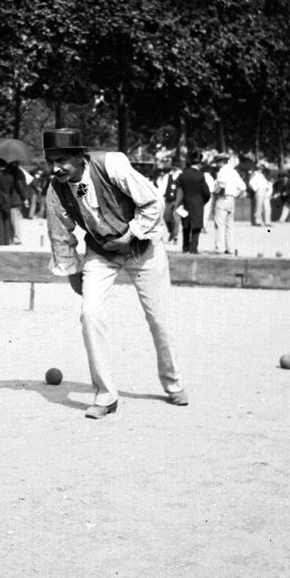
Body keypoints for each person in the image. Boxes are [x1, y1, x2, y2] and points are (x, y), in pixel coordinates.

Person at [42, 128, 186, 419]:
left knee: (159, 318)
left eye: (62, 161)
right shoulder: (55, 190)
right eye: (50, 161)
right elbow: (60, 236)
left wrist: (130, 234)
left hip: (142, 246)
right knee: (90, 313)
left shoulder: (111, 165)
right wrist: (73, 274)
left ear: (80, 156)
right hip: (101, 251)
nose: (55, 168)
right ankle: (106, 396)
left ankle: (172, 383)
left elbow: (153, 202)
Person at [173, 153, 208, 253]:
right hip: (198, 203)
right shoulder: (201, 175)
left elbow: (177, 190)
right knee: (196, 227)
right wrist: (203, 201)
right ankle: (193, 248)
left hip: (185, 203)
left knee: (186, 226)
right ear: (200, 164)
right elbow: (206, 192)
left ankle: (185, 247)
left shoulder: (182, 175)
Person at [211, 152, 246, 253]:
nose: (216, 164)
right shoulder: (234, 172)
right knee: (229, 225)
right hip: (231, 199)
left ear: (221, 162)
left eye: (217, 162)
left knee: (219, 224)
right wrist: (235, 194)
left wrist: (214, 192)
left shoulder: (222, 171)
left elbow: (221, 185)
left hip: (222, 198)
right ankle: (229, 248)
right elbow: (243, 187)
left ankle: (219, 248)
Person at [0, 158, 23, 246]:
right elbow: (12, 188)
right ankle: (8, 239)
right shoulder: (10, 176)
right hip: (8, 199)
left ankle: (1, 239)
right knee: (7, 220)